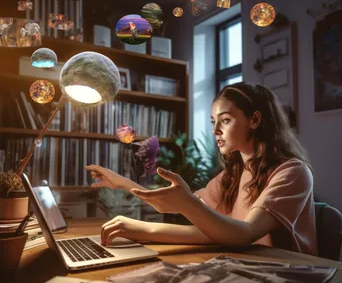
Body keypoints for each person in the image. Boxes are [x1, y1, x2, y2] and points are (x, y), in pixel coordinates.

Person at [85, 82, 317, 256]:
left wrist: (152, 223)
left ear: (254, 120)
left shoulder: (292, 173)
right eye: (213, 121)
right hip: (247, 271)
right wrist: (122, 184)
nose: (215, 130)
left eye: (225, 120)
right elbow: (207, 227)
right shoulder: (233, 175)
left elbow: (243, 235)